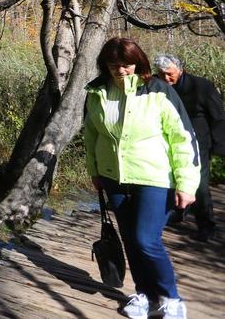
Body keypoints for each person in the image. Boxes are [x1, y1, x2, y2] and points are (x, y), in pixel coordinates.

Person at [84, 37, 200, 319]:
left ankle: (171, 298)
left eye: (126, 65)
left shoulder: (157, 90)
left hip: (154, 175)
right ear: (105, 65)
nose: (121, 71)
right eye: (114, 65)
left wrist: (186, 183)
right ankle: (144, 295)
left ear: (138, 62)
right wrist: (95, 170)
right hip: (114, 178)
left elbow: (182, 138)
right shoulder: (97, 91)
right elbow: (91, 135)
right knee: (130, 239)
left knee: (146, 239)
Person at [154, 53, 224, 242]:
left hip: (199, 143)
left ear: (181, 70)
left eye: (170, 74)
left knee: (199, 186)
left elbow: (218, 117)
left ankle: (207, 225)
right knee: (172, 179)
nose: (166, 79)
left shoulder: (202, 87)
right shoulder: (156, 86)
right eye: (161, 74)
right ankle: (179, 213)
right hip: (169, 140)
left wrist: (219, 147)